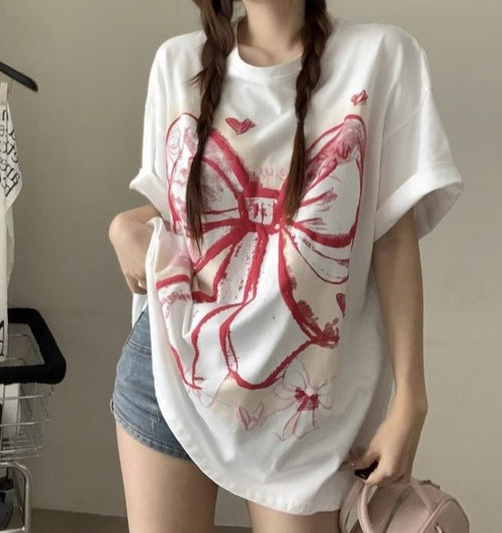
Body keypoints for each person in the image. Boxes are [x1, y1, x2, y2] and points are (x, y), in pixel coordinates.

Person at [108, 1, 464, 532]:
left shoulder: (381, 58)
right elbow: (190, 217)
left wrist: (410, 402)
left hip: (306, 410)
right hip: (171, 371)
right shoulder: (177, 64)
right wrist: (124, 225)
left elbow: (391, 236)